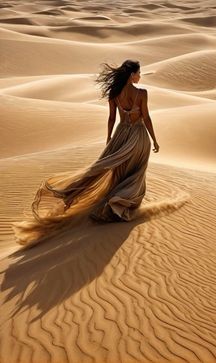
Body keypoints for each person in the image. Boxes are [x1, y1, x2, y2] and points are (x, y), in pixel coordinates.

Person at [11, 59, 160, 247]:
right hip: (138, 138)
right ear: (132, 75)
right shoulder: (141, 93)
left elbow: (112, 118)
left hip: (120, 135)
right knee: (136, 174)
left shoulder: (114, 94)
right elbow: (146, 117)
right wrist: (154, 139)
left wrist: (109, 140)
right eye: (139, 72)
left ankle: (73, 195)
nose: (140, 76)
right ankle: (117, 205)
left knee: (112, 172)